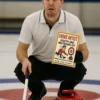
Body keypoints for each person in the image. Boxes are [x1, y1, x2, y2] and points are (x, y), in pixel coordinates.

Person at [14, 0, 89, 100]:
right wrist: (24, 60)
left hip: (63, 64)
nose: (50, 3)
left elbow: (85, 51)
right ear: (42, 1)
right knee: (20, 69)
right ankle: (38, 90)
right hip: (39, 63)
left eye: (54, 0)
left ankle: (64, 91)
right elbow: (21, 48)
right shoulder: (30, 20)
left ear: (62, 2)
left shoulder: (74, 21)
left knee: (79, 70)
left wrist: (80, 56)